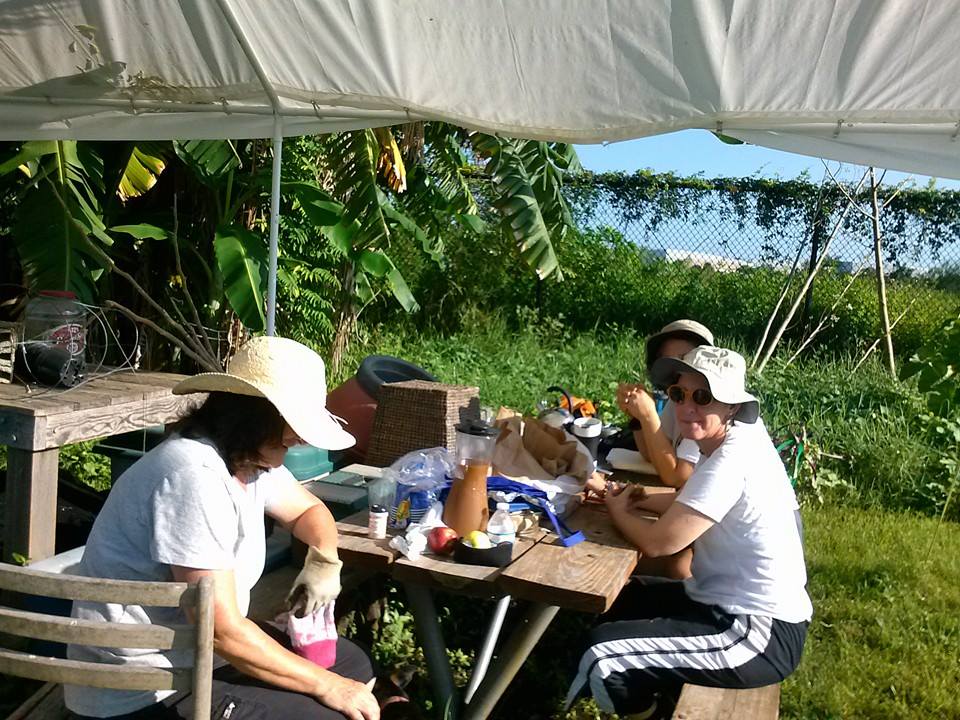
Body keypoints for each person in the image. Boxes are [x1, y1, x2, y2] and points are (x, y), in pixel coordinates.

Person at [64, 336, 381, 720]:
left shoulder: (251, 460)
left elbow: (310, 512)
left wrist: (324, 560)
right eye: (294, 424)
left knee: (352, 664)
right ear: (255, 416)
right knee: (330, 708)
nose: (299, 438)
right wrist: (326, 685)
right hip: (148, 685)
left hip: (202, 654)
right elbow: (219, 630)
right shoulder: (193, 475)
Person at [567, 346, 811, 719]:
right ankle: (656, 692)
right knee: (622, 601)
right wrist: (631, 495)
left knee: (602, 655)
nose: (687, 407)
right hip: (723, 602)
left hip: (757, 631)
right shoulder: (733, 439)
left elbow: (659, 542)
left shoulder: (731, 460)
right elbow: (691, 501)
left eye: (703, 397)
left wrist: (617, 508)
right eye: (679, 394)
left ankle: (650, 712)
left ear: (732, 406)